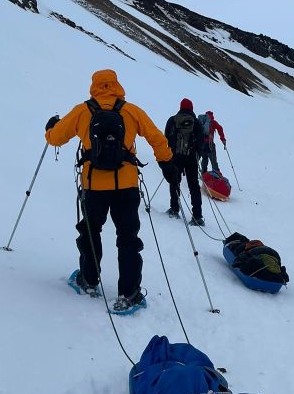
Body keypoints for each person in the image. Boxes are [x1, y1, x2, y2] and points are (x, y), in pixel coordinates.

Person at [45, 68, 177, 312]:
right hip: (126, 186)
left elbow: (56, 138)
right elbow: (156, 137)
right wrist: (167, 162)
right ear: (116, 85)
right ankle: (129, 294)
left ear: (94, 86)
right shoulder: (130, 110)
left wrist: (50, 128)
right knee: (127, 237)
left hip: (94, 185)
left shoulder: (83, 110)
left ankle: (88, 280)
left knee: (90, 231)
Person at [164, 98, 205, 226]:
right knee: (194, 186)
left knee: (174, 182)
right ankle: (197, 216)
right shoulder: (197, 123)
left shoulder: (173, 120)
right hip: (191, 158)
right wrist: (197, 154)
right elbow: (201, 142)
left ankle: (174, 209)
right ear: (191, 108)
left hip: (176, 157)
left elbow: (166, 136)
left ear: (180, 107)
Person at [198, 110, 226, 174]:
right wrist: (223, 139)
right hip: (210, 144)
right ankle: (217, 174)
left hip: (202, 144)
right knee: (213, 160)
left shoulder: (201, 121)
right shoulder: (213, 122)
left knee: (204, 159)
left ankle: (204, 174)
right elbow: (220, 128)